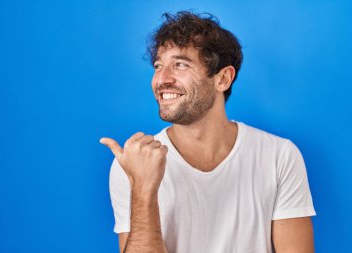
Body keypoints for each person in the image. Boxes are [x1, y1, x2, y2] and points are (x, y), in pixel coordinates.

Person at [100, 11, 316, 253]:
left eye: (180, 64)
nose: (161, 79)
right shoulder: (133, 165)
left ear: (223, 79)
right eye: (158, 66)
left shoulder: (279, 157)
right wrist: (143, 189)